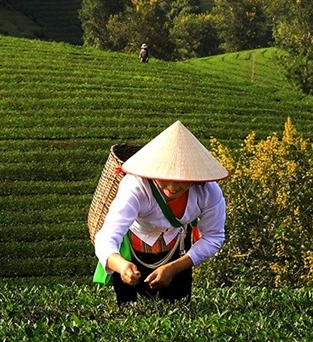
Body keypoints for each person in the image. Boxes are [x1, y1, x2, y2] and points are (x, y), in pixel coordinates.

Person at [93, 120, 227, 303]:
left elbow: (214, 236)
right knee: (130, 309)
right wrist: (122, 265)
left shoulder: (208, 192)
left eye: (182, 179)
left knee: (178, 305)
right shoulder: (136, 187)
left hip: (177, 249)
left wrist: (174, 268)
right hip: (133, 248)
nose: (172, 187)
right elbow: (107, 235)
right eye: (164, 178)